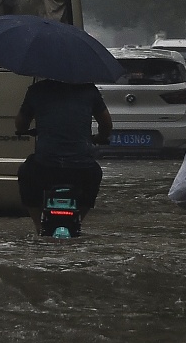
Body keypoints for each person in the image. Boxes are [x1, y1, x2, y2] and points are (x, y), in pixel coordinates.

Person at [15, 79, 113, 234]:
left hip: (44, 167)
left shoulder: (37, 90)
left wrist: (23, 130)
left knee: (25, 172)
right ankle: (78, 220)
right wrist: (100, 137)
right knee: (96, 173)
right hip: (81, 169)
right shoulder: (89, 90)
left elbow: (21, 124)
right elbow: (107, 124)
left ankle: (38, 226)